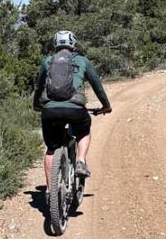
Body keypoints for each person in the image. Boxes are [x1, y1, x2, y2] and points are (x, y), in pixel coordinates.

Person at [33, 30, 112, 187]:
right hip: (75, 109)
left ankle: (50, 190)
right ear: (73, 44)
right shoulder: (82, 60)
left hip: (50, 110)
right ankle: (81, 161)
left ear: (55, 44)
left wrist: (37, 105)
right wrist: (105, 106)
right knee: (83, 130)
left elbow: (39, 87)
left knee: (50, 149)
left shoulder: (47, 61)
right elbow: (97, 86)